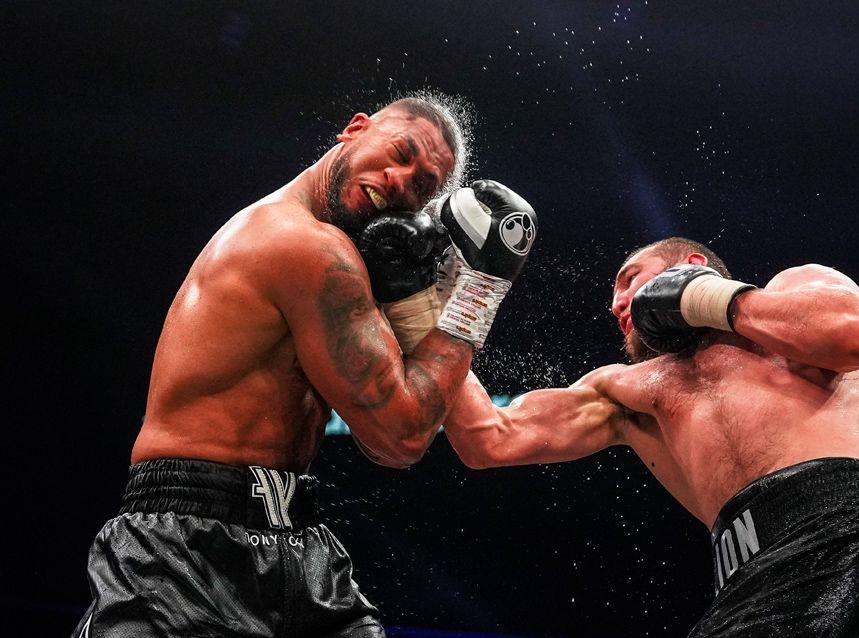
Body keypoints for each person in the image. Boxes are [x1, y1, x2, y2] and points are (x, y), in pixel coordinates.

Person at [71, 93, 538, 638]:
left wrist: (414, 301)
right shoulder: (306, 247)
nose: (399, 181)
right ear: (355, 128)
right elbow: (403, 434)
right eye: (400, 152)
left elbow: (382, 437)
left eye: (422, 186)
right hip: (184, 549)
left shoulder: (341, 255)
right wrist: (478, 293)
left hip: (295, 534)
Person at [442, 236, 859, 636]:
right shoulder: (628, 391)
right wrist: (441, 309)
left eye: (630, 279)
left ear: (691, 266)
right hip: (745, 577)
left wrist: (704, 297)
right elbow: (489, 439)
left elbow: (855, 334)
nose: (616, 304)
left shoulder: (794, 292)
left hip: (841, 537)